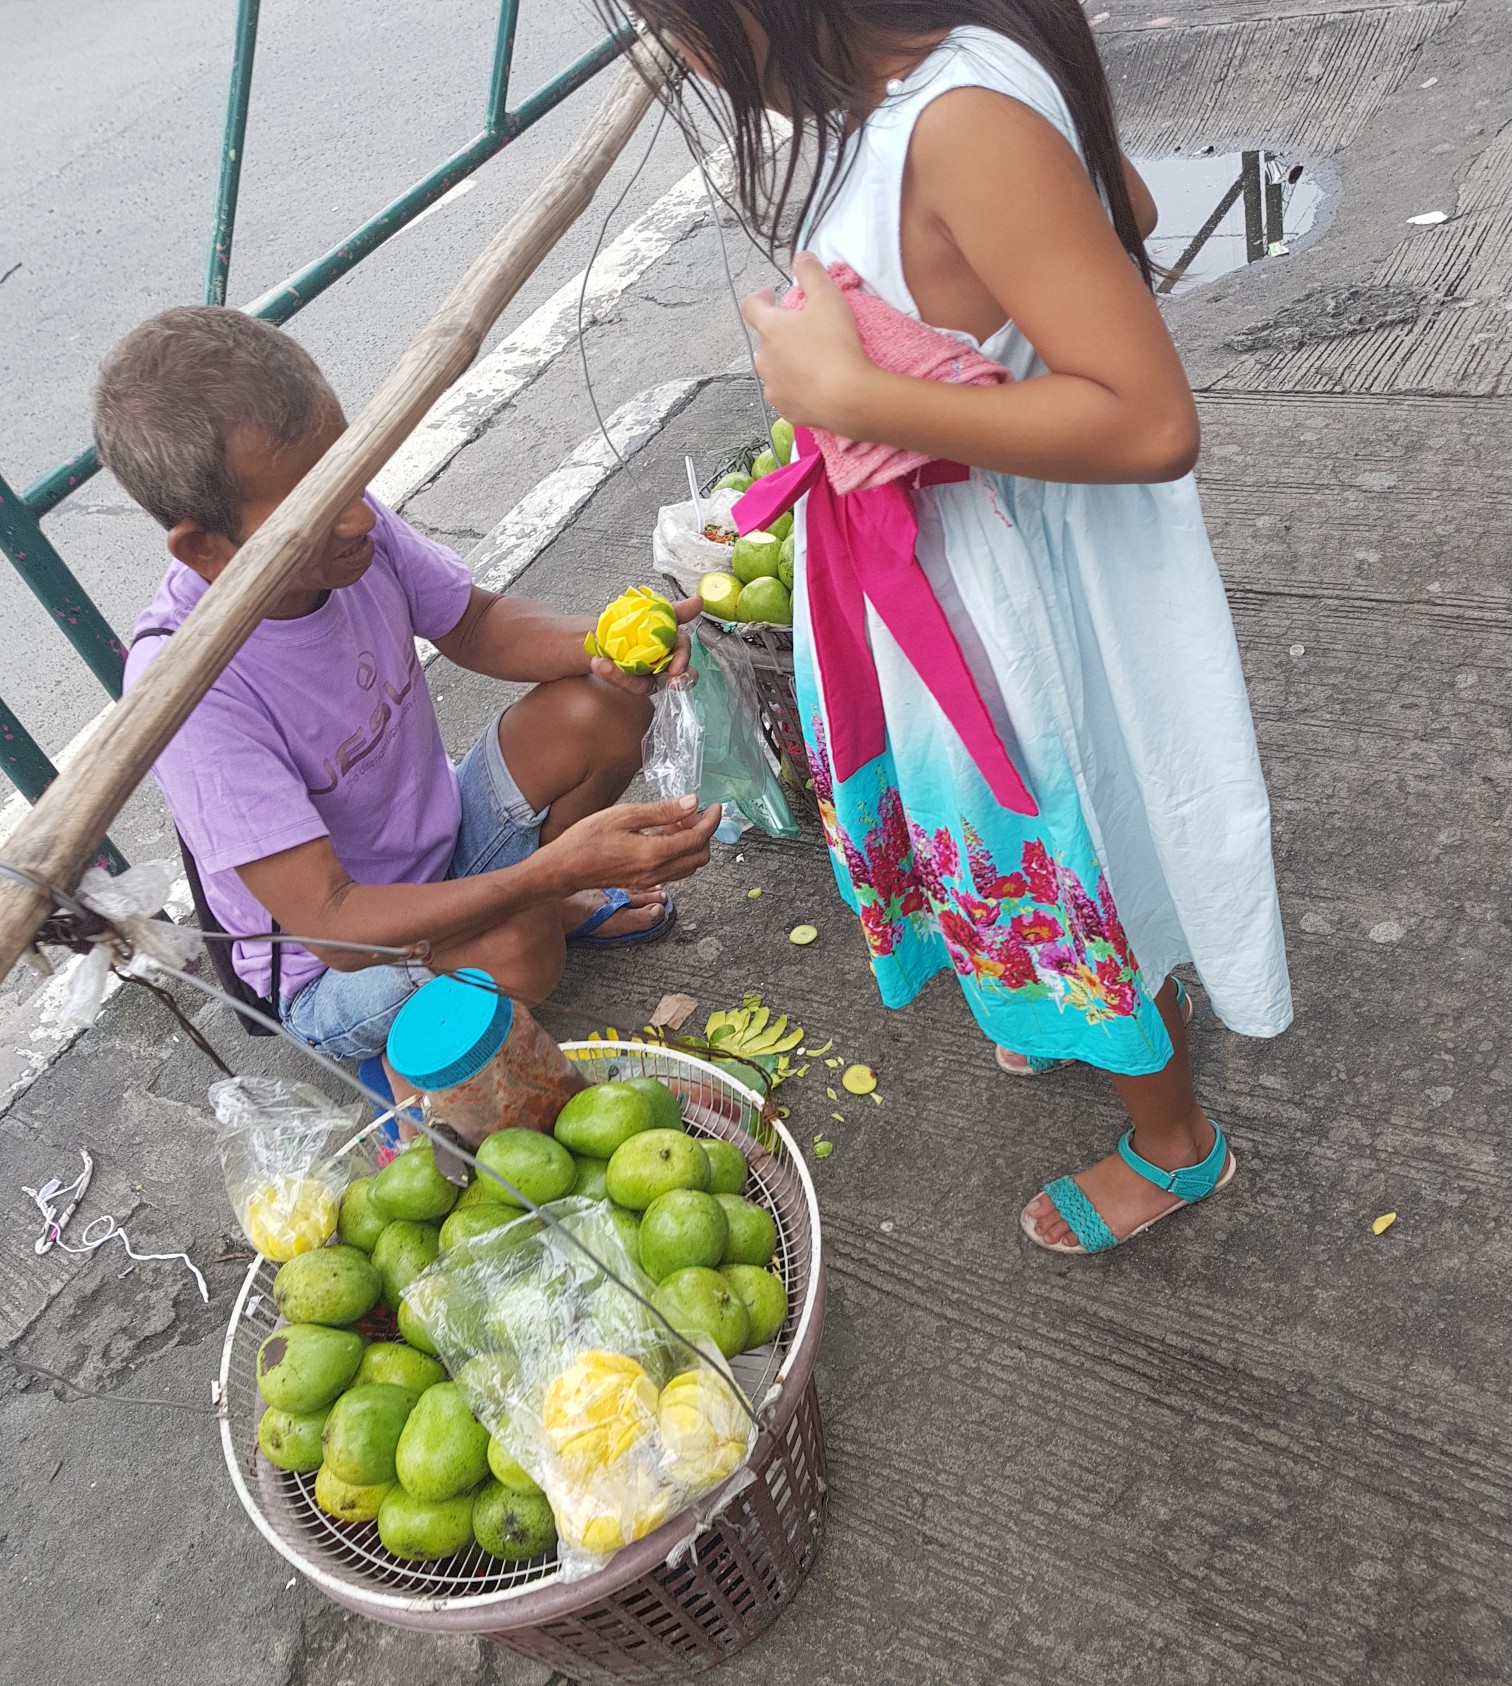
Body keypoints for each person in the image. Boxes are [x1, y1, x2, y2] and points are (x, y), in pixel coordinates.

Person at [626, 0, 1292, 1253]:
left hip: (1017, 587)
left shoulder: (959, 117)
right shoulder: (957, 68)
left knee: (1075, 842)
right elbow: (1126, 217)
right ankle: (1062, 1005)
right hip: (974, 564)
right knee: (1038, 839)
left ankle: (1174, 1141)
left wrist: (858, 392)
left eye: (679, 26)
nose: (684, 58)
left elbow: (1150, 422)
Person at [94, 307, 717, 1074]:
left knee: (600, 706)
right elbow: (331, 921)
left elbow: (476, 622)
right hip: (337, 970)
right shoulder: (189, 689)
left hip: (443, 847)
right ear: (206, 548)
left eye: (352, 472)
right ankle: (417, 1082)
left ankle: (527, 907)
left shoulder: (344, 537)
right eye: (320, 505)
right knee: (518, 942)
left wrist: (600, 645)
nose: (361, 514)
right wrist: (552, 872)